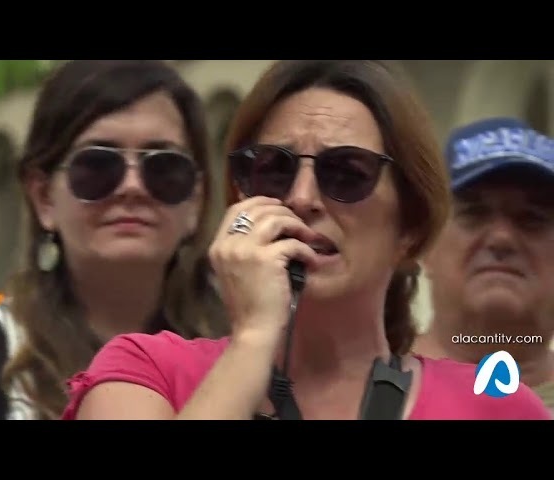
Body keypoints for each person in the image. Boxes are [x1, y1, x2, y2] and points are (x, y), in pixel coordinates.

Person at [62, 60, 551, 420]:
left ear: (411, 228)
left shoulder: (495, 407)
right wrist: (254, 339)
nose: (301, 198)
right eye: (273, 170)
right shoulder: (146, 371)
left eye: (346, 172)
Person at [0, 60, 229, 420]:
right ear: (43, 198)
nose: (132, 187)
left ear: (197, 200)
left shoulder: (248, 352)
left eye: (164, 167)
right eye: (97, 165)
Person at [413, 117, 554, 412]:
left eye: (531, 219)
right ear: (426, 245)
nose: (501, 238)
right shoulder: (361, 390)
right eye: (474, 213)